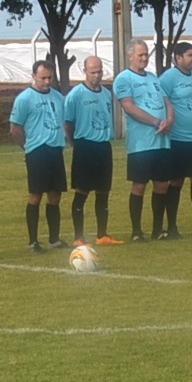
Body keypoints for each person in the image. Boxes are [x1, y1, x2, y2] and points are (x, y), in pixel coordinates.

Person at [9, 59, 68, 251]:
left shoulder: (58, 97)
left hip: (55, 150)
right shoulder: (24, 98)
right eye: (43, 77)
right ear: (33, 76)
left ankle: (54, 238)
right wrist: (27, 147)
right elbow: (15, 128)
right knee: (36, 195)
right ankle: (33, 241)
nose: (47, 81)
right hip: (37, 151)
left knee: (55, 195)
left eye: (50, 77)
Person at [115, 41, 170, 241]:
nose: (144, 58)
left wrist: (169, 120)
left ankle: (158, 229)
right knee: (139, 185)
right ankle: (136, 231)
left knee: (162, 185)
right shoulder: (123, 79)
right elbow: (129, 107)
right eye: (140, 55)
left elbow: (166, 102)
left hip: (161, 141)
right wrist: (156, 122)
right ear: (130, 56)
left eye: (146, 54)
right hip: (140, 144)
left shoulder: (154, 78)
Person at [63, 54, 118, 246]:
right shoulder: (76, 94)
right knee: (82, 192)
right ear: (84, 71)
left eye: (100, 71)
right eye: (93, 71)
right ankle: (79, 237)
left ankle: (102, 235)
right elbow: (68, 123)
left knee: (103, 192)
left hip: (103, 146)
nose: (97, 75)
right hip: (84, 146)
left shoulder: (106, 93)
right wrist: (74, 144)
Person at [159, 41, 192, 236]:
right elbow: (162, 102)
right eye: (190, 55)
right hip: (178, 139)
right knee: (176, 182)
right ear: (178, 58)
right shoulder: (168, 78)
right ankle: (172, 226)